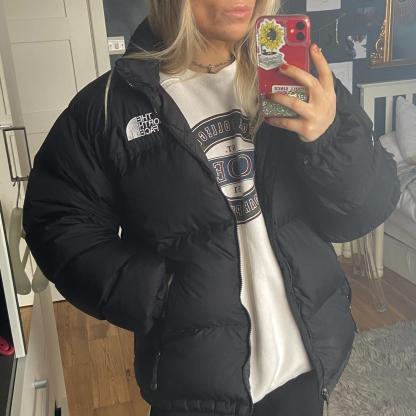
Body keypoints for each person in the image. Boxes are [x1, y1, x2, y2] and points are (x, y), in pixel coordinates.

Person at [22, 1, 400, 415]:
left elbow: (364, 210)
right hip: (194, 380)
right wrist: (155, 294)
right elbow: (57, 221)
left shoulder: (302, 81)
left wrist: (326, 140)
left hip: (307, 363)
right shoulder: (110, 107)